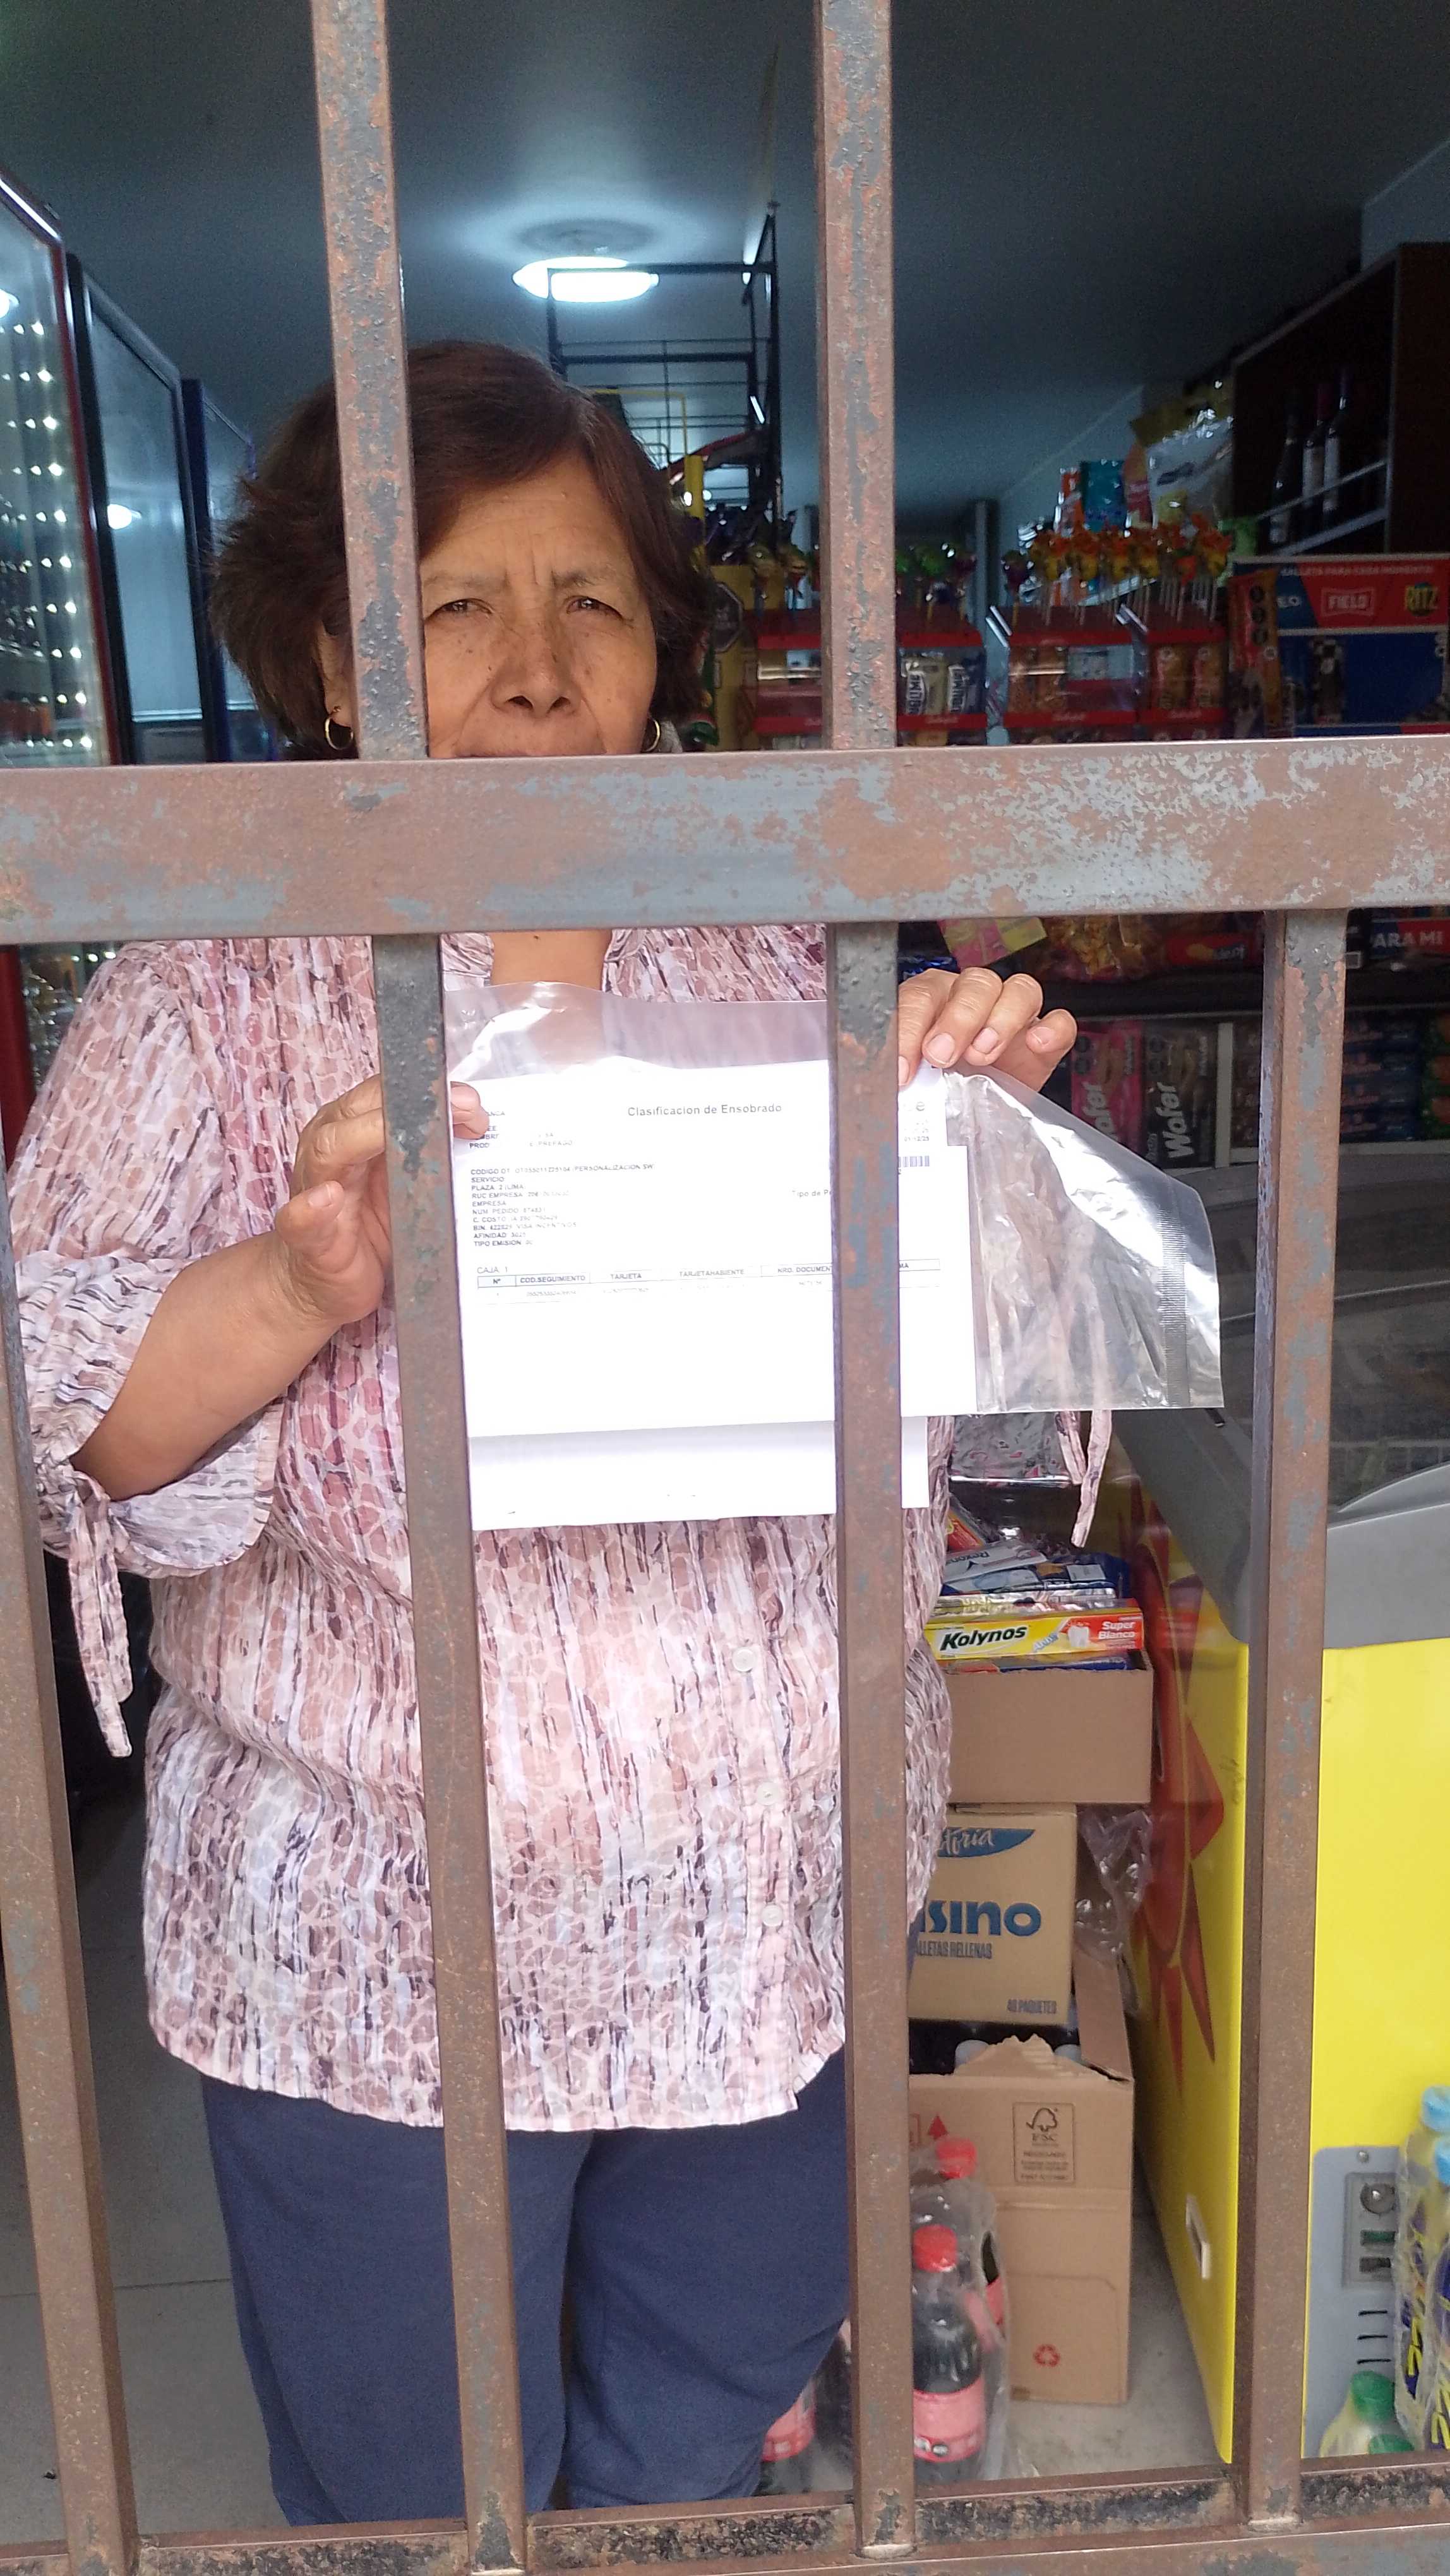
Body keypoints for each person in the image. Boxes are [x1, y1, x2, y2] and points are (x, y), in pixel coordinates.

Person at [11, 341, 1076, 2522]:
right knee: (425, 2503)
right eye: (452, 605)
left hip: (773, 1918)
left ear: (658, 649)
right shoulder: (207, 989)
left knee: (690, 2445)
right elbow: (70, 1413)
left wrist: (971, 1145)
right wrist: (296, 1283)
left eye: (590, 599)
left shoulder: (792, 943)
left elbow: (951, 1392)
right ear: (332, 667)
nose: (532, 663)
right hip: (381, 1964)